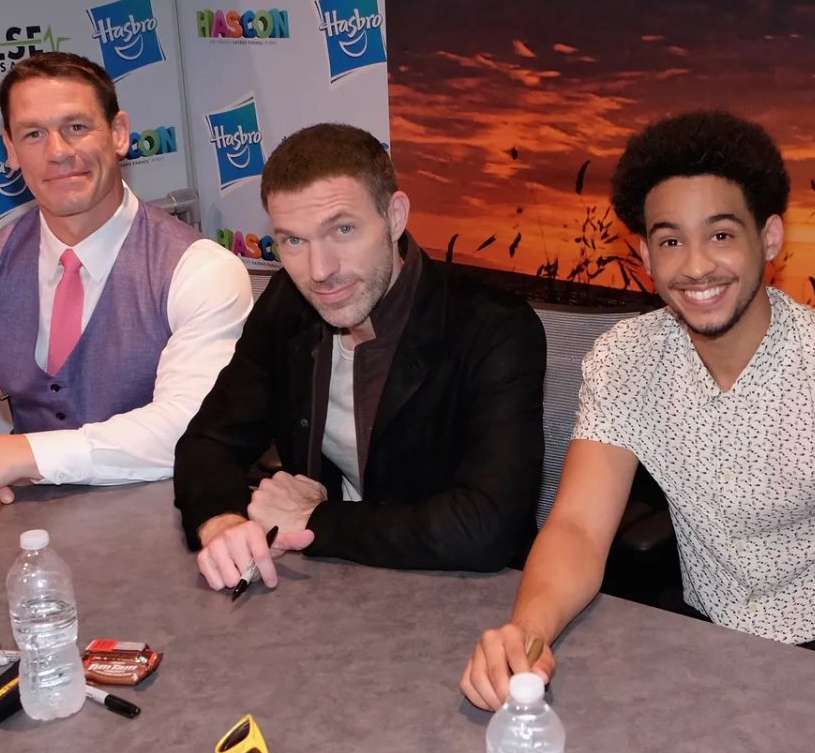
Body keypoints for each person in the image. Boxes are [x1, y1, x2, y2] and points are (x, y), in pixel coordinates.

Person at [461, 110, 815, 710]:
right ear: (644, 254)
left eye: (720, 235)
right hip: (702, 635)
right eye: (670, 241)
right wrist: (526, 633)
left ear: (768, 239)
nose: (694, 266)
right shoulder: (625, 360)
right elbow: (579, 527)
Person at [0, 52, 252, 514]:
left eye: (76, 127)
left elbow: (189, 424)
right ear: (10, 151)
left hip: (172, 520)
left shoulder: (200, 269)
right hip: (25, 526)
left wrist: (16, 455)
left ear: (118, 134)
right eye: (33, 134)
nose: (57, 151)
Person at [176, 123, 547, 586]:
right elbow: (209, 441)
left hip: (461, 596)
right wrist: (222, 523)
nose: (320, 271)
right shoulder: (288, 304)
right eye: (293, 240)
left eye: (343, 230)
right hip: (329, 585)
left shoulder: (494, 327)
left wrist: (315, 519)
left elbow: (487, 527)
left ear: (394, 216)